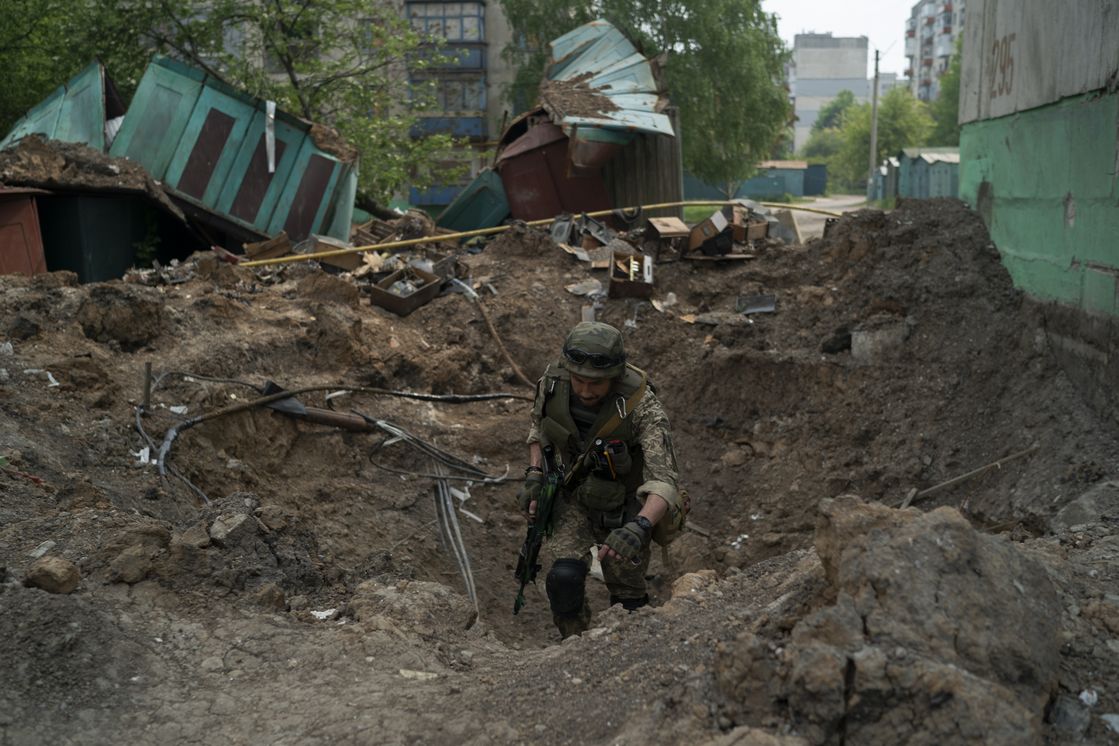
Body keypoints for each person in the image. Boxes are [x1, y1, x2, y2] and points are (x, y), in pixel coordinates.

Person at [519, 321, 684, 638]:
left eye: (596, 383)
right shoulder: (552, 384)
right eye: (578, 380)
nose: (585, 390)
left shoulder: (643, 408)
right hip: (572, 500)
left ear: (616, 376)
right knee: (563, 580)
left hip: (624, 509)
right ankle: (574, 642)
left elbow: (664, 481)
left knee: (629, 599)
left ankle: (628, 648)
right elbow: (537, 429)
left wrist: (640, 526)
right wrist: (535, 474)